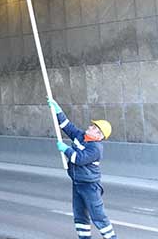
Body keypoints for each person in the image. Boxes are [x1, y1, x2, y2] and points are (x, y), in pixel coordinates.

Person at [48, 98, 116, 239]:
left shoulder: (95, 148)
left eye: (94, 128)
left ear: (99, 136)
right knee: (79, 214)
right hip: (77, 183)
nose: (90, 127)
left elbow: (79, 159)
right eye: (92, 126)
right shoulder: (81, 136)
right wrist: (58, 111)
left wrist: (65, 149)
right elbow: (67, 126)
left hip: (90, 186)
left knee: (98, 215)